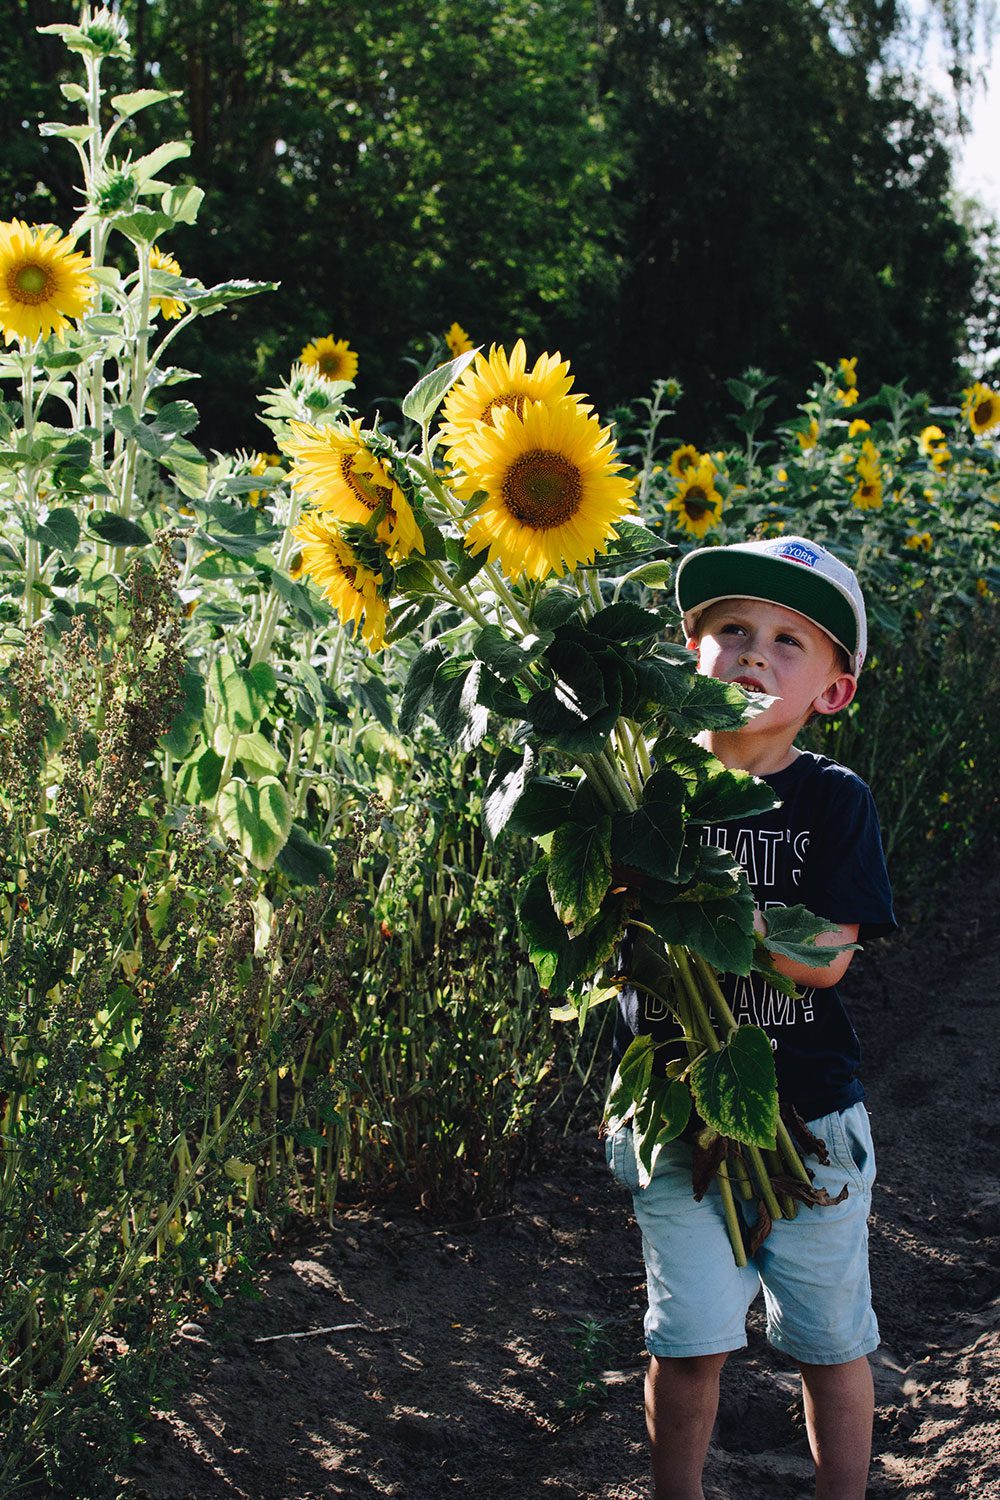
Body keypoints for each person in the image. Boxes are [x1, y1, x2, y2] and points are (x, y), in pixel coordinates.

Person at [606, 535, 896, 1500]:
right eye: (731, 629)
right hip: (674, 1116)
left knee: (830, 1343)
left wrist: (715, 909)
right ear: (689, 650)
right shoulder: (642, 790)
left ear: (832, 692)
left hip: (809, 1119)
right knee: (688, 1342)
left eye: (786, 641)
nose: (752, 654)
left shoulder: (834, 800)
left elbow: (829, 959)